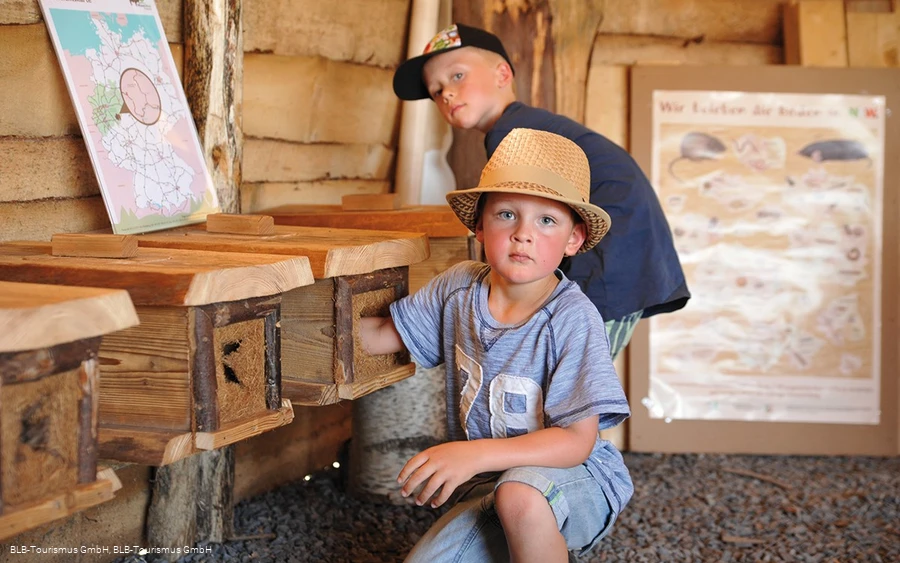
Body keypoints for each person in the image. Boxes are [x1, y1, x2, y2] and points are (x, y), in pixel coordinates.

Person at [359, 128, 632, 562]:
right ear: (480, 226)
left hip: (577, 481)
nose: (523, 234)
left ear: (574, 239)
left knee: (520, 494)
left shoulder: (571, 318)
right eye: (506, 214)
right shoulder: (458, 289)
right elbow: (382, 337)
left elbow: (577, 441)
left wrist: (472, 454)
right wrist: (306, 328)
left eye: (547, 220)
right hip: (490, 486)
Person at [392, 23, 690, 360]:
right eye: (436, 90)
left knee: (572, 377)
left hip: (615, 256)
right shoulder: (519, 127)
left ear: (502, 74)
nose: (445, 93)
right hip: (623, 254)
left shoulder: (515, 135)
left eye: (457, 76)